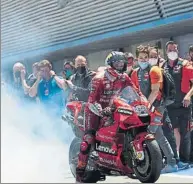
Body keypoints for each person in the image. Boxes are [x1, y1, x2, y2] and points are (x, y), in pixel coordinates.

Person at [75, 51, 148, 182]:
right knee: (88, 140)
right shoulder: (99, 78)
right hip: (94, 111)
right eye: (117, 62)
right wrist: (101, 110)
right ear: (110, 64)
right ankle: (80, 174)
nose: (120, 65)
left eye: (122, 62)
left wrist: (144, 102)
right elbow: (91, 100)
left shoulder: (124, 77)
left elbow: (135, 92)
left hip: (115, 108)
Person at [131, 45, 178, 173]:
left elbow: (155, 90)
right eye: (141, 58)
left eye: (146, 57)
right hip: (144, 107)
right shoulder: (135, 73)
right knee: (158, 135)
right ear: (137, 58)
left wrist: (145, 106)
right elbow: (134, 91)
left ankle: (155, 163)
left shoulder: (155, 70)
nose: (144, 59)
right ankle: (170, 162)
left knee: (148, 133)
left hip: (157, 106)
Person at [165, 41, 193, 165]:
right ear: (166, 52)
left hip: (184, 104)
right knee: (172, 133)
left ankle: (185, 159)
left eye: (175, 49)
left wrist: (188, 95)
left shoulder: (185, 64)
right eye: (170, 49)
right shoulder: (163, 67)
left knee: (185, 132)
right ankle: (176, 159)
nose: (173, 52)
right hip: (170, 106)